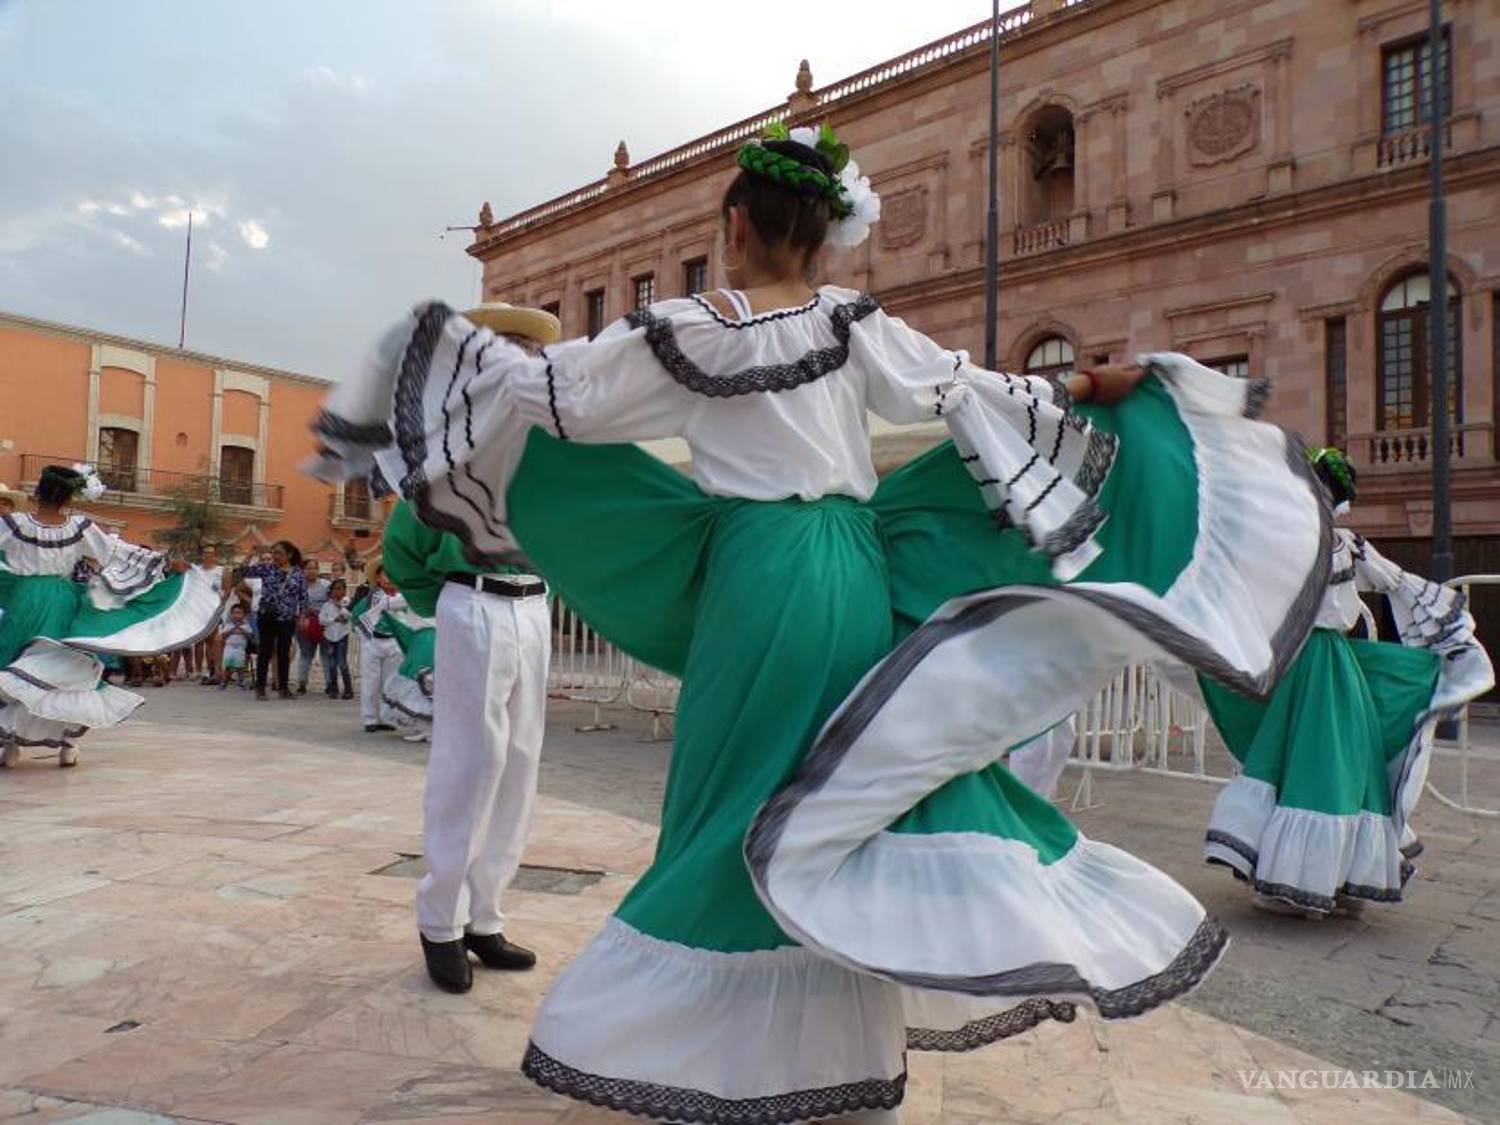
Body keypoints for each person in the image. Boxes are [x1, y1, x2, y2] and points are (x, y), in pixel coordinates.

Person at [309, 122, 1328, 1121]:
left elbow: (551, 395)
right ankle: (828, 1044)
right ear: (818, 230)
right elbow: (969, 390)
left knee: (732, 802)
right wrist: (1088, 385)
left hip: (763, 577)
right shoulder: (857, 323)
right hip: (857, 568)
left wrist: (427, 359)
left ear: (738, 227)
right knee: (830, 797)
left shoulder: (691, 330)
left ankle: (705, 1050)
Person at [1201, 448, 1493, 918]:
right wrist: (1445, 624)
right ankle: (1333, 879)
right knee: (1337, 767)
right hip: (1322, 664)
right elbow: (1397, 583)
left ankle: (1306, 880)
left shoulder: (1302, 541)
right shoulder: (1337, 544)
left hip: (1310, 665)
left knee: (1311, 767)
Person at [378, 301, 559, 994]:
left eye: (524, 352)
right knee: (469, 759)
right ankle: (440, 920)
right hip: (474, 600)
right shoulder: (443, 446)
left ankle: (487, 913)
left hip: (534, 602)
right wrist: (453, 598)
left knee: (519, 761)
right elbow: (405, 548)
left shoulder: (544, 447)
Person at [0, 464, 220, 768]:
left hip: (24, 603)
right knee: (67, 671)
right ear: (69, 498)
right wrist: (166, 563)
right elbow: (118, 552)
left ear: (37, 492)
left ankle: (11, 744)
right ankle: (67, 743)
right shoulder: (78, 527)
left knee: (16, 665)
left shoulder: (13, 524)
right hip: (64, 604)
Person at [244, 540, 306, 702]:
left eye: (278, 553)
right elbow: (244, 572)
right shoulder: (267, 568)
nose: (275, 556)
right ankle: (260, 688)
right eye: (273, 553)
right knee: (264, 651)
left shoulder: (298, 573)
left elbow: (303, 597)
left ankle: (283, 688)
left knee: (284, 652)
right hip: (267, 615)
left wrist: (302, 617)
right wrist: (250, 555)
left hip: (287, 617)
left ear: (289, 555)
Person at [352, 562, 402, 733]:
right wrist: (365, 638)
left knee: (390, 682)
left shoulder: (403, 597)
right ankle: (369, 718)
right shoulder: (372, 597)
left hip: (394, 643)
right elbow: (356, 615)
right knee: (371, 681)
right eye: (385, 574)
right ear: (378, 578)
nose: (389, 578)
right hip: (373, 642)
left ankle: (386, 717)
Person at [294, 558, 330, 695]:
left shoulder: (327, 585)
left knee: (326, 655)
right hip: (304, 624)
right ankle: (302, 683)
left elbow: (332, 602)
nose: (311, 571)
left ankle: (329, 684)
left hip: (324, 624)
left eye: (314, 568)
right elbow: (294, 604)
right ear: (303, 571)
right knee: (305, 654)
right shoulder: (297, 586)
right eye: (308, 568)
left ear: (318, 570)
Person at [193, 544, 227, 684]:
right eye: (206, 553)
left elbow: (226, 590)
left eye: (211, 553)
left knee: (211, 641)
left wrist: (220, 604)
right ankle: (199, 670)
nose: (208, 555)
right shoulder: (196, 570)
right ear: (202, 555)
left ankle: (211, 669)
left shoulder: (221, 570)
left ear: (215, 555)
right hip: (198, 608)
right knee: (198, 641)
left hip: (213, 609)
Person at [318, 577, 355, 699]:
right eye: (336, 589)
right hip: (329, 637)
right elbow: (321, 620)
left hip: (342, 636)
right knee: (332, 664)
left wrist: (341, 608)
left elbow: (350, 616)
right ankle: (333, 688)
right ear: (331, 591)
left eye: (342, 589)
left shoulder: (347, 603)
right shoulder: (326, 605)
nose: (339, 592)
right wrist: (334, 619)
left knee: (342, 663)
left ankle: (348, 689)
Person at [218, 602, 254, 690]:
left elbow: (250, 636)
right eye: (234, 613)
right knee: (227, 666)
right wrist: (233, 629)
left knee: (240, 667)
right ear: (231, 614)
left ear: (243, 615)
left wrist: (241, 629)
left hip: (240, 649)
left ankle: (240, 682)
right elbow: (223, 636)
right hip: (229, 648)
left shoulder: (246, 625)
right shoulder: (228, 625)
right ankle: (224, 682)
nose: (236, 615)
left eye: (239, 613)